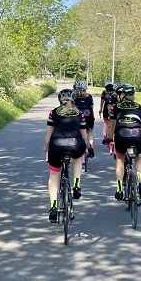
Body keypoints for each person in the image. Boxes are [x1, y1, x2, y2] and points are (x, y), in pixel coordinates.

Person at [44, 88, 87, 222]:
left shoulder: (53, 113)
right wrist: (87, 147)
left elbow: (49, 133)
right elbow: (84, 134)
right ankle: (77, 185)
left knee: (53, 175)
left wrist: (46, 146)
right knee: (78, 157)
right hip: (75, 144)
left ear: (60, 101)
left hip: (56, 145)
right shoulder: (79, 113)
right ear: (74, 100)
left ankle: (53, 207)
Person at [107, 83, 141, 201]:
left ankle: (119, 189)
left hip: (122, 134)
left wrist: (110, 138)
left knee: (120, 159)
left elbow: (111, 127)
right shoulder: (140, 107)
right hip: (138, 134)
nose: (118, 96)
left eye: (119, 94)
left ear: (123, 95)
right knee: (139, 158)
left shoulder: (115, 107)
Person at [73, 80, 96, 158]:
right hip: (89, 116)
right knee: (89, 131)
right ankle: (91, 146)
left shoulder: (74, 97)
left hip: (78, 117)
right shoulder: (89, 97)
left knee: (78, 131)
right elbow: (92, 107)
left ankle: (77, 146)